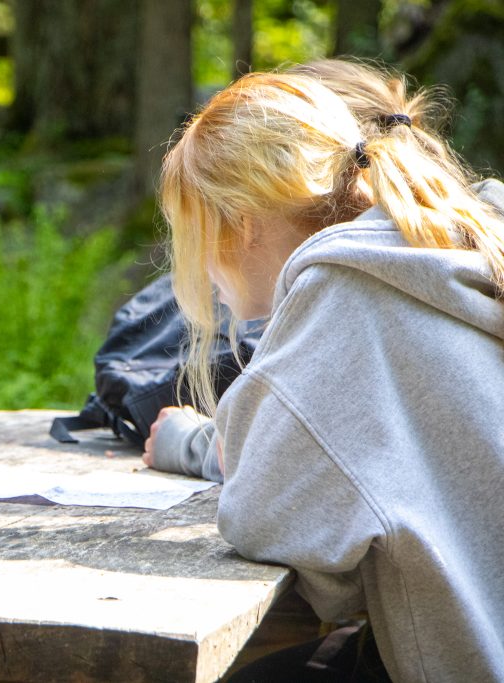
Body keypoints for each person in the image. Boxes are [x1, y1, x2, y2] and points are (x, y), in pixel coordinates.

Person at [149, 59, 504, 681]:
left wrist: (204, 446)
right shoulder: (462, 245)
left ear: (243, 224)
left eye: (196, 234)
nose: (201, 267)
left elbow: (281, 533)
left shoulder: (347, 293)